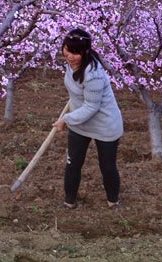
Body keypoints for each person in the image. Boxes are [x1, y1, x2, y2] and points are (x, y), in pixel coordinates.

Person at [52, 28, 123, 209]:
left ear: (86, 51)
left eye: (75, 52)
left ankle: (113, 202)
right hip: (80, 121)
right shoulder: (70, 64)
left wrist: (66, 120)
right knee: (73, 162)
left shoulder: (94, 75)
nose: (70, 55)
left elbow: (91, 107)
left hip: (104, 124)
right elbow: (77, 92)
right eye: (67, 49)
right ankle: (69, 202)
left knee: (107, 166)